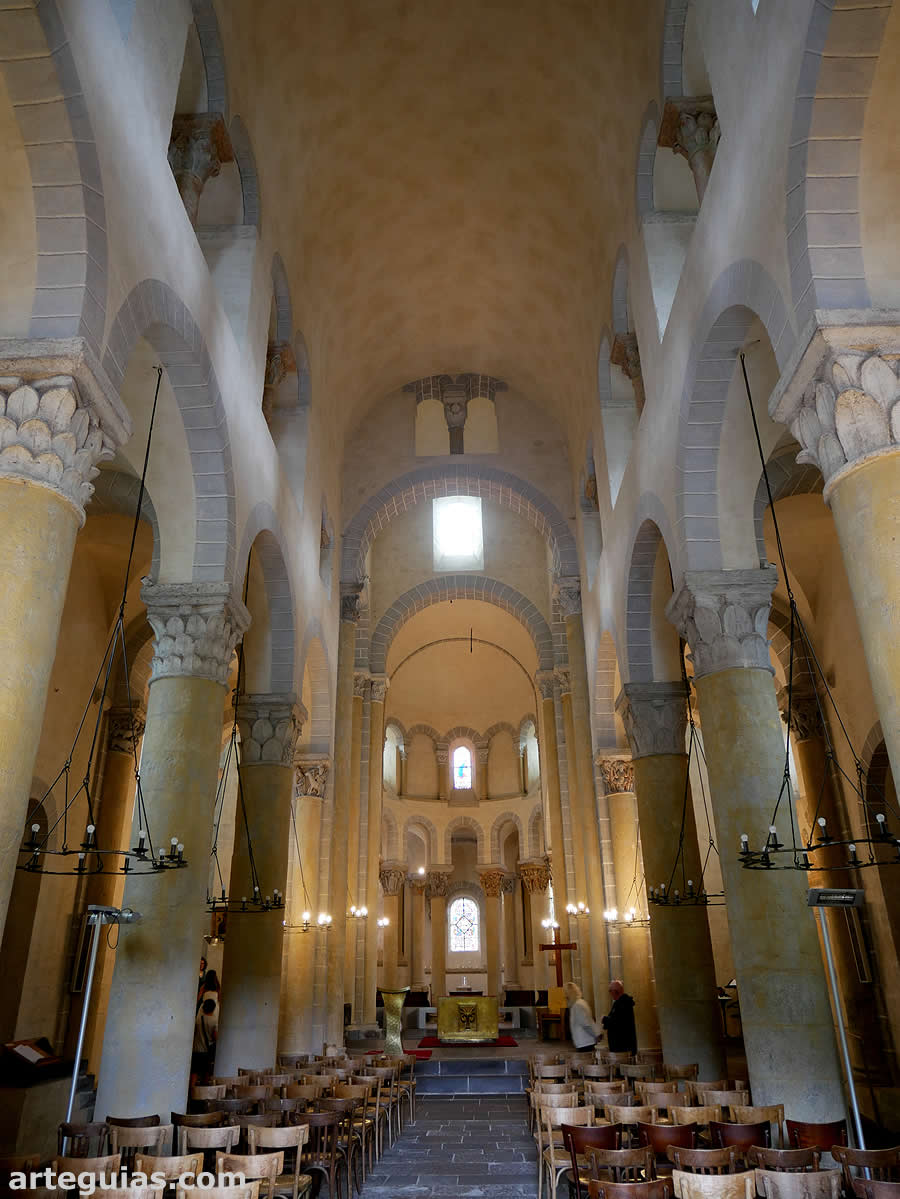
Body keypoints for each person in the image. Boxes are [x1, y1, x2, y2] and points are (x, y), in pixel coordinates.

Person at [602, 979, 637, 1053]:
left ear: (615, 991)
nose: (610, 993)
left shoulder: (623, 1003)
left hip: (622, 1042)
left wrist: (605, 1019)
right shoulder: (619, 1002)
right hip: (619, 1042)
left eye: (610, 991)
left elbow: (618, 1022)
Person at [563, 981, 601, 1050]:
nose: (565, 996)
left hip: (585, 1042)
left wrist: (596, 1035)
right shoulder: (578, 1003)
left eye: (566, 994)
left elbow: (586, 1024)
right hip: (584, 1041)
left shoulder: (578, 1005)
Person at [192, 995, 218, 1083]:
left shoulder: (198, 1019)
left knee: (194, 1072)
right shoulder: (214, 1021)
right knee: (206, 1072)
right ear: (213, 1008)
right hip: (207, 1051)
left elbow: (194, 1033)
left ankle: (192, 1091)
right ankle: (203, 1092)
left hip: (196, 1049)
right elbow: (215, 1037)